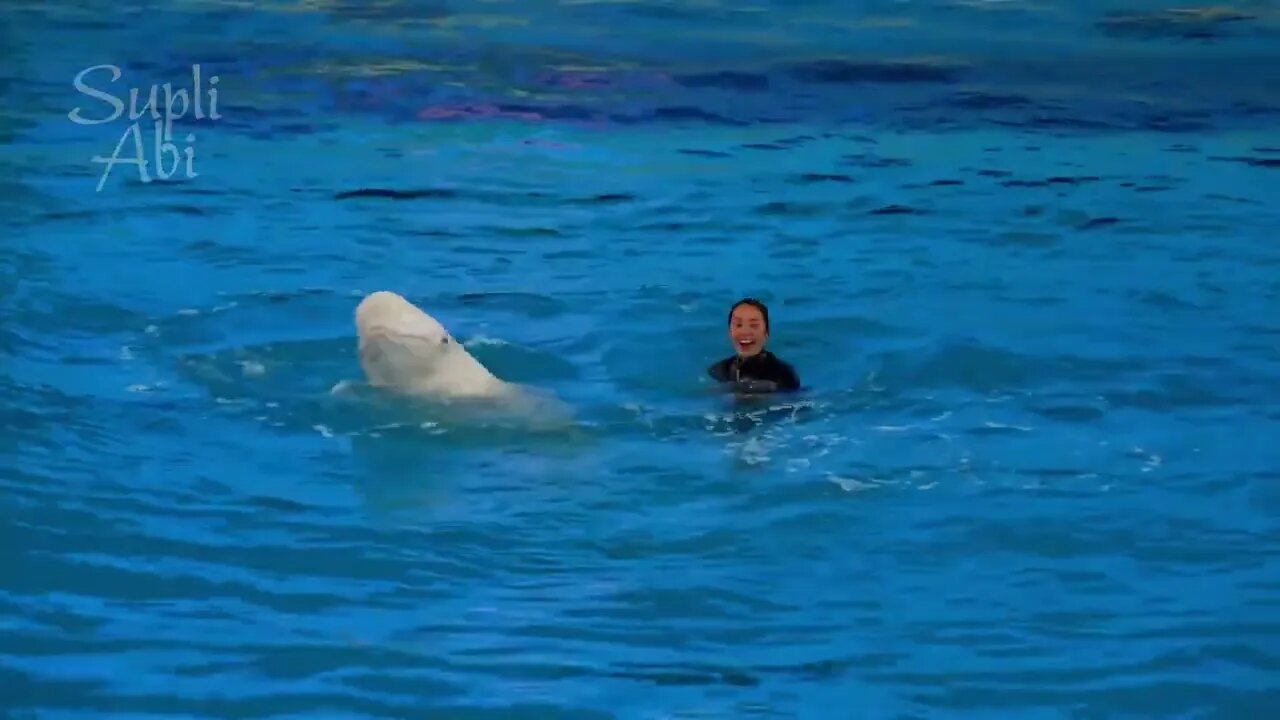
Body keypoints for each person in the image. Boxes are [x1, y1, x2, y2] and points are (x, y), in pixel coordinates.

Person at [707, 297, 801, 394]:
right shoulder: (718, 370)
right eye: (738, 325)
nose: (745, 332)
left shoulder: (784, 375)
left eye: (754, 325)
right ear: (729, 332)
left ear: (766, 333)